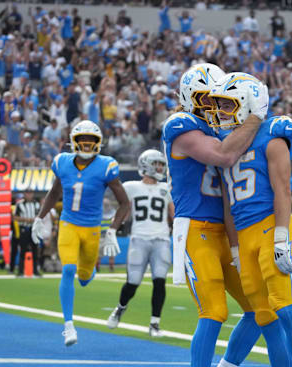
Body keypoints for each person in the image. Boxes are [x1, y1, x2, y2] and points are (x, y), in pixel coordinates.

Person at [209, 72, 292, 367]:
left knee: (286, 311)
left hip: (272, 228)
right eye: (221, 105)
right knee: (265, 319)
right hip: (244, 237)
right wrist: (233, 246)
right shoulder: (225, 143)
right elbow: (228, 202)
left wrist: (282, 237)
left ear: (249, 104)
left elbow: (283, 188)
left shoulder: (272, 133)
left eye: (229, 104)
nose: (223, 113)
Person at [162, 64, 265, 367]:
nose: (211, 108)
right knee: (214, 310)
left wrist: (236, 244)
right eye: (205, 99)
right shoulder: (180, 125)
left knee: (260, 308)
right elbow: (223, 156)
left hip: (225, 230)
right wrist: (255, 118)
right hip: (195, 228)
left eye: (219, 100)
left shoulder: (221, 128)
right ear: (188, 98)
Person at [31, 120, 130, 347]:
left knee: (84, 278)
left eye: (91, 141)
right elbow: (54, 191)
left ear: (98, 143)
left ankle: (87, 276)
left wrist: (113, 230)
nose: (86, 144)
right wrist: (40, 216)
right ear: (74, 141)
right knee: (68, 269)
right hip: (68, 224)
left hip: (93, 228)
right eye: (82, 140)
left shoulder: (106, 166)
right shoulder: (62, 162)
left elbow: (124, 203)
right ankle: (68, 326)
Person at [107, 150, 174, 338]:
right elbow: (124, 210)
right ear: (146, 164)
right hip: (139, 239)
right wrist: (114, 227)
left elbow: (173, 213)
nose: (160, 167)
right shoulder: (131, 186)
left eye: (161, 164)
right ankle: (120, 308)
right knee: (133, 282)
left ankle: (155, 323)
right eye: (157, 164)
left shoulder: (165, 188)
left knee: (160, 281)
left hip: (161, 239)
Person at [15, 190, 42, 277]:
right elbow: (15, 217)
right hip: (24, 228)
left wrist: (35, 219)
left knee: (35, 249)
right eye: (27, 193)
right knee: (22, 250)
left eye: (30, 193)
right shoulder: (20, 204)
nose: (29, 194)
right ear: (24, 194)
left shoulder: (37, 204)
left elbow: (40, 215)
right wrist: (26, 220)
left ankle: (35, 271)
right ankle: (20, 271)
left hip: (33, 229)